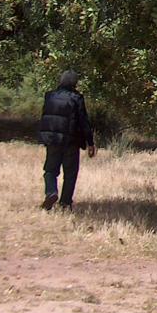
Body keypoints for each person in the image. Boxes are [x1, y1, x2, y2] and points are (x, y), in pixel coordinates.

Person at [37, 70, 95, 210]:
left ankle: (51, 192)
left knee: (50, 170)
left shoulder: (50, 96)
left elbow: (45, 117)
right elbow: (83, 121)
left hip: (53, 140)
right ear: (75, 83)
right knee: (70, 173)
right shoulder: (76, 98)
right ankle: (65, 203)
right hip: (71, 142)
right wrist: (90, 142)